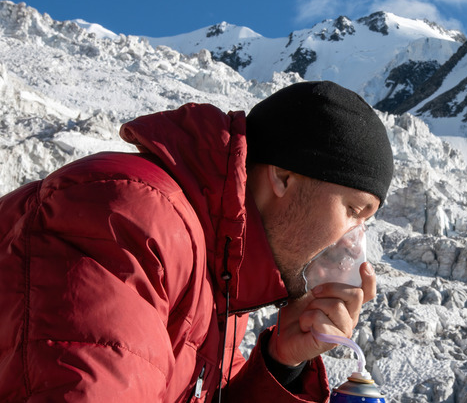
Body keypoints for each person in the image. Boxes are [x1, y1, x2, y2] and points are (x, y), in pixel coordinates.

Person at [0, 80, 394, 402]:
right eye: (354, 210)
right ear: (283, 178)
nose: (352, 241)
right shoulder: (127, 222)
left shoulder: (221, 272)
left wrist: (280, 365)